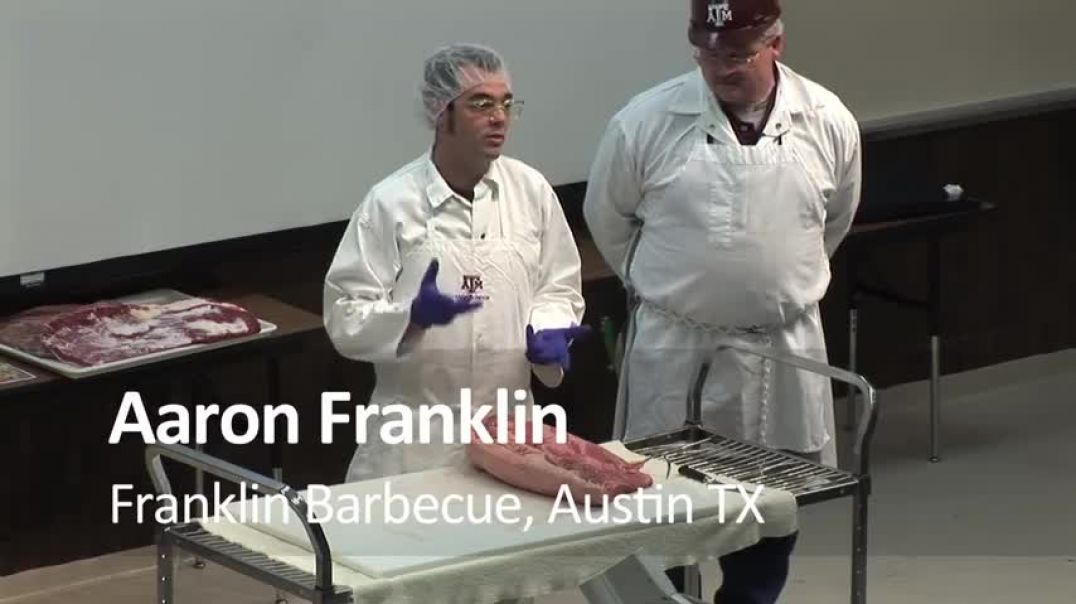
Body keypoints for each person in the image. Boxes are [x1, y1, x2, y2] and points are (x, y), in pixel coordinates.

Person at [584, 0, 862, 602]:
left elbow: (832, 222)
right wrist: (688, 287)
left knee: (771, 511)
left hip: (781, 346)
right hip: (677, 344)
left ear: (776, 44)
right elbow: (609, 222)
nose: (721, 68)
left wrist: (768, 285)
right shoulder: (645, 123)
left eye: (737, 54)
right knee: (667, 510)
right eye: (708, 53)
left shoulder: (827, 119)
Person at [324, 43, 587, 484]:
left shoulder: (532, 192)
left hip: (512, 435)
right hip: (414, 439)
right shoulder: (390, 203)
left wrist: (548, 328)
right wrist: (408, 318)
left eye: (506, 104)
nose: (499, 117)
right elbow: (345, 314)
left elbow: (558, 285)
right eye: (480, 104)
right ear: (440, 114)